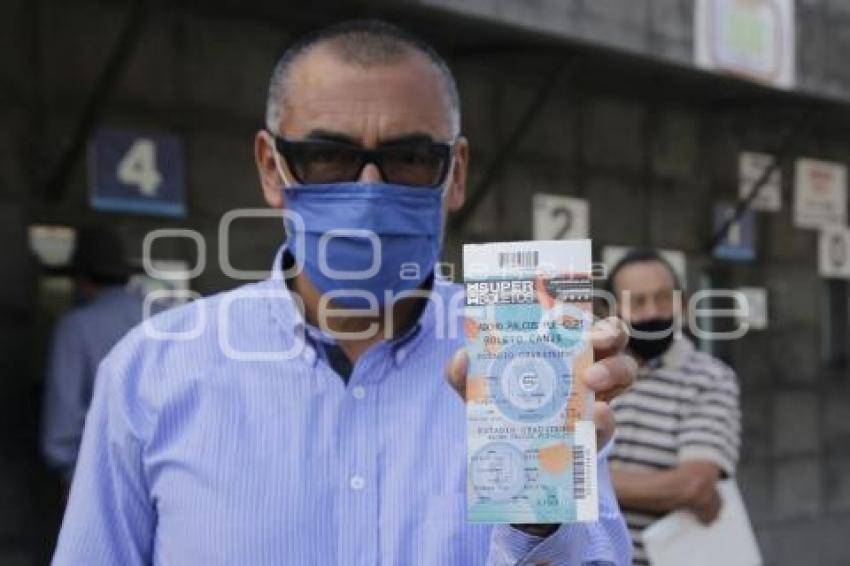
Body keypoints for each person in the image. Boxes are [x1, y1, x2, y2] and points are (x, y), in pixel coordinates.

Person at [53, 20, 637, 565]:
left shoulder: (528, 357)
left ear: (455, 173)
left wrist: (540, 509)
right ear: (270, 167)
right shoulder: (149, 373)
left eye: (409, 158)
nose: (369, 190)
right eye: (327, 156)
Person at [604, 249, 741, 566]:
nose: (654, 312)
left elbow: (693, 484)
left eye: (664, 298)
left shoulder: (710, 378)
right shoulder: (589, 373)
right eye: (637, 302)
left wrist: (577, 482)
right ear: (612, 310)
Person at [41, 225, 145, 485]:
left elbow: (61, 430)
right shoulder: (168, 316)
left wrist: (72, 477)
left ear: (82, 280)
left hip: (102, 480)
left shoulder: (76, 327)